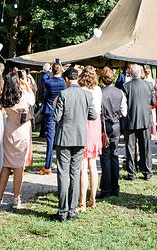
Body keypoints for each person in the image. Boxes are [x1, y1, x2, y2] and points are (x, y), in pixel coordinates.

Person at [53, 67, 97, 222]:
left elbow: (56, 117)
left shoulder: (63, 94)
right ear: (77, 78)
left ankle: (62, 210)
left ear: (66, 79)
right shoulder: (87, 95)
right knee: (75, 173)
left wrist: (56, 106)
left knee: (63, 174)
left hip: (64, 138)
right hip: (79, 138)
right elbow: (93, 115)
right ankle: (72, 210)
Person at [0, 71, 35, 208]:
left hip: (9, 130)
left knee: (6, 164)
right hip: (22, 132)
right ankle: (16, 197)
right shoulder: (23, 96)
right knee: (19, 166)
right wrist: (26, 84)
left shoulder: (4, 97)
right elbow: (33, 100)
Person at [98, 67, 126, 199]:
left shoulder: (99, 92)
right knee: (114, 155)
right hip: (115, 124)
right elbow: (124, 111)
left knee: (105, 157)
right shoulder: (119, 92)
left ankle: (106, 188)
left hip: (103, 126)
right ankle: (115, 187)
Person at [122, 64, 154, 180]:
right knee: (145, 146)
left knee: (130, 147)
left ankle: (132, 172)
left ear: (130, 73)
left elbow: (123, 104)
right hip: (145, 119)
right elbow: (153, 101)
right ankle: (147, 171)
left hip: (131, 119)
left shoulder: (126, 86)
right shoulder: (148, 85)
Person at [77, 66, 103, 211]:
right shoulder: (98, 90)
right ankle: (92, 199)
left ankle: (82, 201)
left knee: (83, 167)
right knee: (93, 165)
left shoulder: (82, 91)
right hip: (96, 125)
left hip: (84, 124)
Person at [36, 63, 66, 175]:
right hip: (60, 111)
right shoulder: (63, 83)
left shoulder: (48, 82)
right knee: (61, 138)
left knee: (50, 139)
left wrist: (47, 71)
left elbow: (43, 79)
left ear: (52, 70)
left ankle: (48, 165)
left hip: (50, 112)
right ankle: (61, 164)